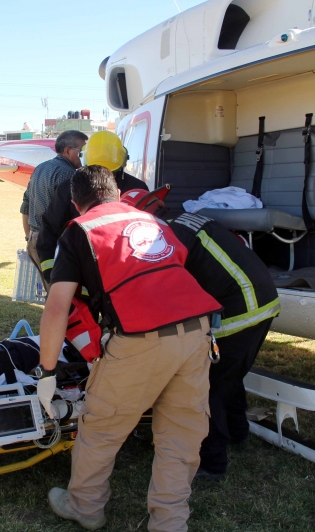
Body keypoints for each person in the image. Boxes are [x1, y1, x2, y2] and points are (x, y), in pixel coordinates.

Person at [36, 165, 222, 532]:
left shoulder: (79, 231)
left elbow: (58, 307)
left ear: (76, 204)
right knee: (181, 435)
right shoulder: (154, 221)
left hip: (140, 336)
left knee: (102, 428)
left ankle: (85, 507)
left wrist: (46, 371)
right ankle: (169, 522)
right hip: (196, 332)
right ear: (118, 194)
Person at [121, 188, 280, 480]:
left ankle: (212, 462)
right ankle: (237, 432)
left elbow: (165, 290)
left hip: (241, 307)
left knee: (209, 386)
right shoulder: (187, 221)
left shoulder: (165, 238)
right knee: (230, 372)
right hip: (263, 299)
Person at [36, 130, 148, 286]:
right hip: (80, 278)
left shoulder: (137, 189)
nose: (105, 178)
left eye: (111, 173)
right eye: (97, 172)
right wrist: (52, 273)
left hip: (125, 276)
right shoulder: (69, 188)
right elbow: (49, 230)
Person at [20, 129, 87, 272]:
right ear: (68, 151)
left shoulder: (40, 168)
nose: (85, 155)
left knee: (50, 290)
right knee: (61, 292)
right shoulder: (69, 174)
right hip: (54, 243)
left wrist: (29, 237)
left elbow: (26, 205)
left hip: (34, 238)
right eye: (82, 150)